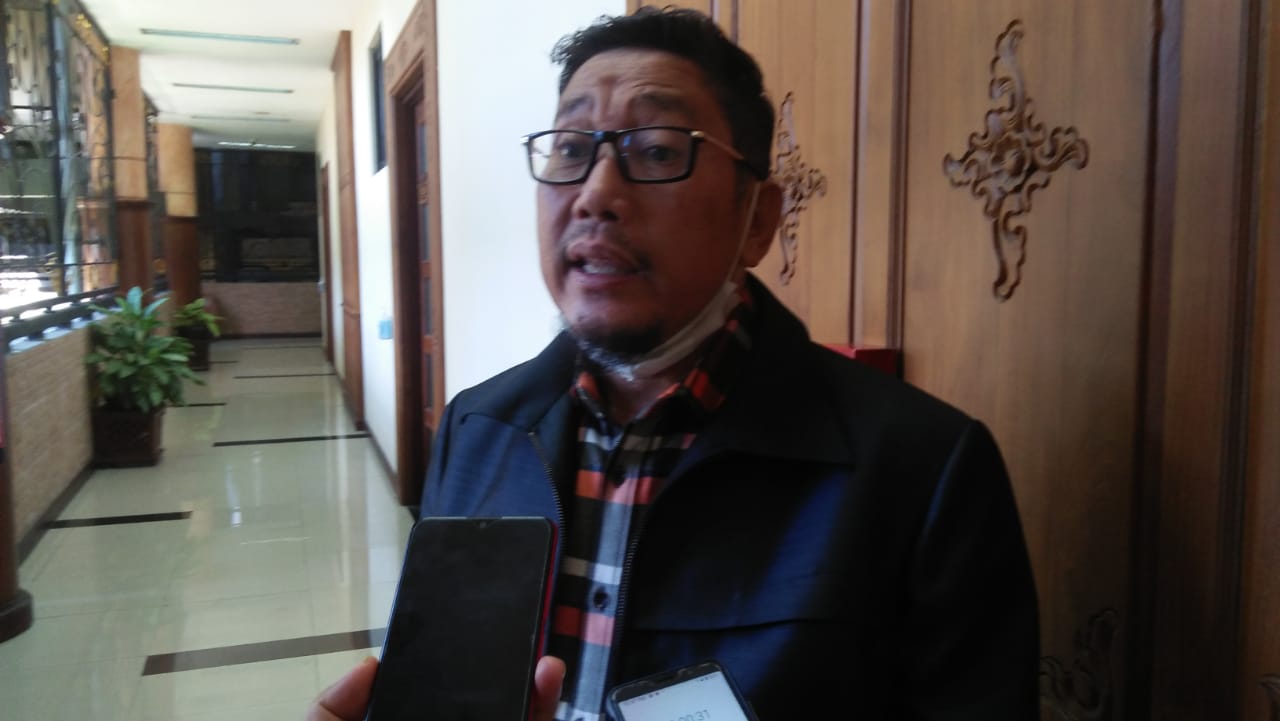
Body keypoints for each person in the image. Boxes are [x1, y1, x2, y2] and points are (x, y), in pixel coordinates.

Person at [308, 7, 1039, 721]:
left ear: (757, 219)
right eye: (570, 149)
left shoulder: (925, 468)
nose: (596, 195)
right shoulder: (477, 427)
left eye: (657, 150)